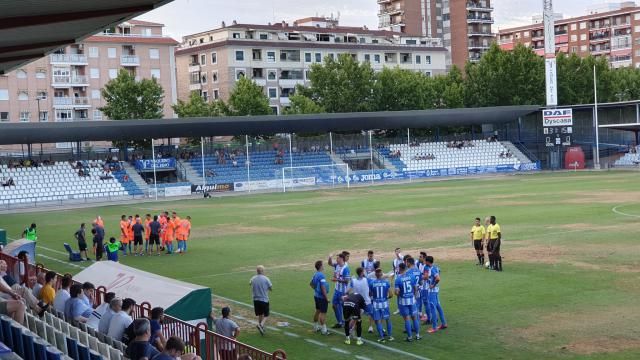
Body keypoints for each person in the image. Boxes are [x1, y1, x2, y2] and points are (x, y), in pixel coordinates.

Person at [394, 263, 421, 342]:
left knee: (407, 319)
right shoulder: (412, 276)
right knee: (414, 318)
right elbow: (415, 288)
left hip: (403, 302)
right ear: (405, 268)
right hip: (412, 300)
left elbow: (397, 292)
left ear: (399, 268)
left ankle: (409, 337)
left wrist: (396, 291)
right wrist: (415, 297)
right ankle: (417, 335)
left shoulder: (398, 279)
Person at [348, 267, 374, 334]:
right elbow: (375, 282)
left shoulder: (353, 281)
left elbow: (348, 291)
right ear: (362, 272)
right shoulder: (367, 280)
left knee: (355, 318)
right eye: (364, 271)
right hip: (366, 302)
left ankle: (350, 331)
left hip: (357, 302)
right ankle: (371, 327)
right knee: (372, 314)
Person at [369, 268, 393, 343]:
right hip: (384, 304)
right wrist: (386, 297)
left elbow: (370, 294)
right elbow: (391, 294)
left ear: (375, 275)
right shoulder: (386, 282)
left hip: (376, 304)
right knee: (388, 320)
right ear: (382, 274)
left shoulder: (372, 283)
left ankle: (382, 337)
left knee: (378, 321)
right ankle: (390, 336)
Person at [327, 253, 350, 329]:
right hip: (337, 290)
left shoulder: (346, 268)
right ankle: (340, 322)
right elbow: (330, 263)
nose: (336, 260)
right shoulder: (337, 265)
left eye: (338, 258)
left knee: (345, 307)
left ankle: (349, 323)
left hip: (343, 292)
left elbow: (347, 281)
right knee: (334, 305)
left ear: (341, 259)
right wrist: (330, 257)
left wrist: (336, 279)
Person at [425, 256, 447, 333]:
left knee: (432, 308)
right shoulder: (436, 267)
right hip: (436, 290)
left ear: (428, 262)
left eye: (425, 261)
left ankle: (434, 327)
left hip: (432, 291)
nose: (425, 262)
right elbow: (439, 273)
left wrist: (433, 285)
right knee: (438, 306)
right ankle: (444, 323)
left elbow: (438, 278)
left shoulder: (432, 269)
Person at [249, 265, 272, 336]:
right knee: (266, 314)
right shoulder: (266, 279)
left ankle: (261, 329)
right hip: (264, 299)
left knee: (260, 314)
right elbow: (271, 288)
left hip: (256, 299)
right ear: (262, 271)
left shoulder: (253, 278)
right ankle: (261, 325)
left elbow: (250, 283)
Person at [310, 260, 329, 335]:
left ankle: (315, 327)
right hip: (322, 297)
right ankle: (324, 330)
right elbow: (323, 287)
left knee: (317, 311)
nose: (323, 266)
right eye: (323, 265)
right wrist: (326, 298)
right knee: (322, 313)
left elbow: (311, 284)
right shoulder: (321, 275)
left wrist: (316, 290)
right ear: (320, 266)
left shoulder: (315, 274)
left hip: (316, 296)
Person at [405, 257, 423, 337]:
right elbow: (421, 283)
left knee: (410, 313)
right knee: (416, 311)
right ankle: (415, 329)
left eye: (406, 262)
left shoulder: (408, 272)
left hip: (410, 294)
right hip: (418, 293)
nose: (406, 264)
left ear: (409, 263)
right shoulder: (418, 271)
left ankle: (413, 329)